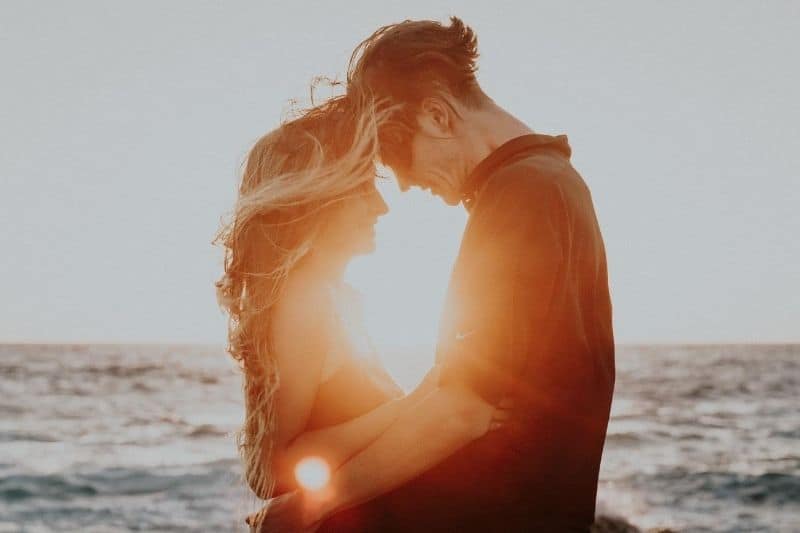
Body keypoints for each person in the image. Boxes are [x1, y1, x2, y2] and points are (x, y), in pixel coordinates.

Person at [260, 17, 616, 532]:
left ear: (438, 116)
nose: (402, 185)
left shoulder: (523, 194)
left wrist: (315, 504)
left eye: (395, 155)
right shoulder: (547, 182)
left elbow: (463, 408)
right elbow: (461, 388)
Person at [214, 93, 500, 531]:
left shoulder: (340, 298)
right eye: (362, 188)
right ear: (317, 200)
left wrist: (436, 405)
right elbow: (269, 469)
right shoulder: (303, 300)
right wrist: (414, 409)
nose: (381, 206)